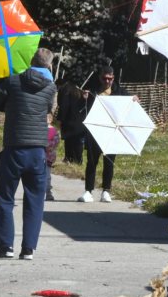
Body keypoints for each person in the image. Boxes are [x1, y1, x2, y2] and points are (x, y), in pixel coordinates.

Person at [0, 48, 57, 260]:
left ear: (30, 61)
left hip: (13, 149)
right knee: (35, 201)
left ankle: (5, 247)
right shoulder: (50, 87)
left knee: (5, 198)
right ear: (49, 67)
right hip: (37, 151)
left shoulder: (13, 81)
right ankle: (28, 248)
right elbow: (49, 109)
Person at [78, 66, 139, 203]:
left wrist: (133, 99)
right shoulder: (92, 91)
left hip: (112, 132)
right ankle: (88, 191)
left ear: (113, 78)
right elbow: (80, 109)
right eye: (104, 78)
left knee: (109, 163)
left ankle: (106, 191)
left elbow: (130, 107)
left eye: (109, 79)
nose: (107, 81)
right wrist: (83, 98)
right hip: (95, 132)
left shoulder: (121, 92)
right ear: (100, 78)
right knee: (91, 163)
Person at [56, 81, 85, 164]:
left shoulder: (65, 90)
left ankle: (69, 158)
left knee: (68, 140)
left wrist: (60, 118)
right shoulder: (77, 90)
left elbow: (63, 106)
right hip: (79, 119)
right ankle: (78, 159)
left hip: (69, 119)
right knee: (77, 141)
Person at [46, 113, 60, 201]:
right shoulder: (39, 130)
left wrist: (45, 145)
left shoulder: (53, 131)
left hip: (48, 158)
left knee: (47, 176)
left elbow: (55, 142)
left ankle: (48, 192)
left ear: (50, 120)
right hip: (37, 157)